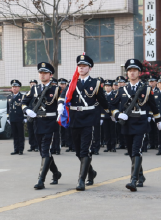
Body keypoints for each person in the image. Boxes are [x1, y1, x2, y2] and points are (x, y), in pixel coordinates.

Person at [111, 59, 161, 192]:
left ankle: (134, 180)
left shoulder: (146, 88)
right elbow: (111, 105)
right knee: (130, 151)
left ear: (139, 73)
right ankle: (140, 174)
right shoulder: (122, 89)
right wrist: (118, 115)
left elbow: (153, 105)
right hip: (127, 123)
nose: (132, 73)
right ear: (127, 73)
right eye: (129, 71)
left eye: (134, 70)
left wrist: (158, 120)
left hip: (141, 122)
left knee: (136, 150)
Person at [58, 54, 109, 191]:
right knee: (78, 151)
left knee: (85, 150)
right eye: (79, 66)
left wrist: (111, 112)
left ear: (89, 68)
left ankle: (81, 180)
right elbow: (63, 95)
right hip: (75, 118)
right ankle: (91, 172)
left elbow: (103, 101)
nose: (81, 68)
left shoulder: (96, 83)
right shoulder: (72, 82)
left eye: (84, 66)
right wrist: (60, 104)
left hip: (89, 119)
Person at [22, 62, 62, 189]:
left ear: (50, 75)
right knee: (43, 152)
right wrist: (27, 110)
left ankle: (41, 180)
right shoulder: (34, 89)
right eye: (41, 73)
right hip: (37, 123)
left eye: (45, 73)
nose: (42, 75)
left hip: (50, 123)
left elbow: (62, 102)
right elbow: (24, 102)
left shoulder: (56, 89)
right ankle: (56, 173)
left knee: (45, 150)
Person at [7, 80, 25, 155]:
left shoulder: (22, 96)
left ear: (19, 88)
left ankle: (21, 149)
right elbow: (8, 108)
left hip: (20, 118)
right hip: (12, 118)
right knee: (15, 135)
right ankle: (16, 149)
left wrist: (25, 117)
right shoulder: (9, 97)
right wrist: (8, 118)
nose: (14, 88)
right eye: (13, 87)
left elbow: (24, 107)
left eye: (16, 87)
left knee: (20, 135)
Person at [102, 80, 117, 152]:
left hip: (112, 116)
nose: (107, 88)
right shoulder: (103, 95)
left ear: (111, 87)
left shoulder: (114, 95)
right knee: (106, 132)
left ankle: (113, 146)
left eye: (108, 86)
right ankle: (108, 146)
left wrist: (115, 115)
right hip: (105, 116)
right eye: (106, 86)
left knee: (113, 132)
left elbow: (116, 105)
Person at [27, 79, 39, 152]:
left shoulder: (38, 94)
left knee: (36, 131)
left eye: (34, 84)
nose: (32, 85)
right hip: (29, 115)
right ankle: (32, 145)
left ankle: (37, 146)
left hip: (36, 115)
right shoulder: (27, 94)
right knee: (30, 131)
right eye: (31, 84)